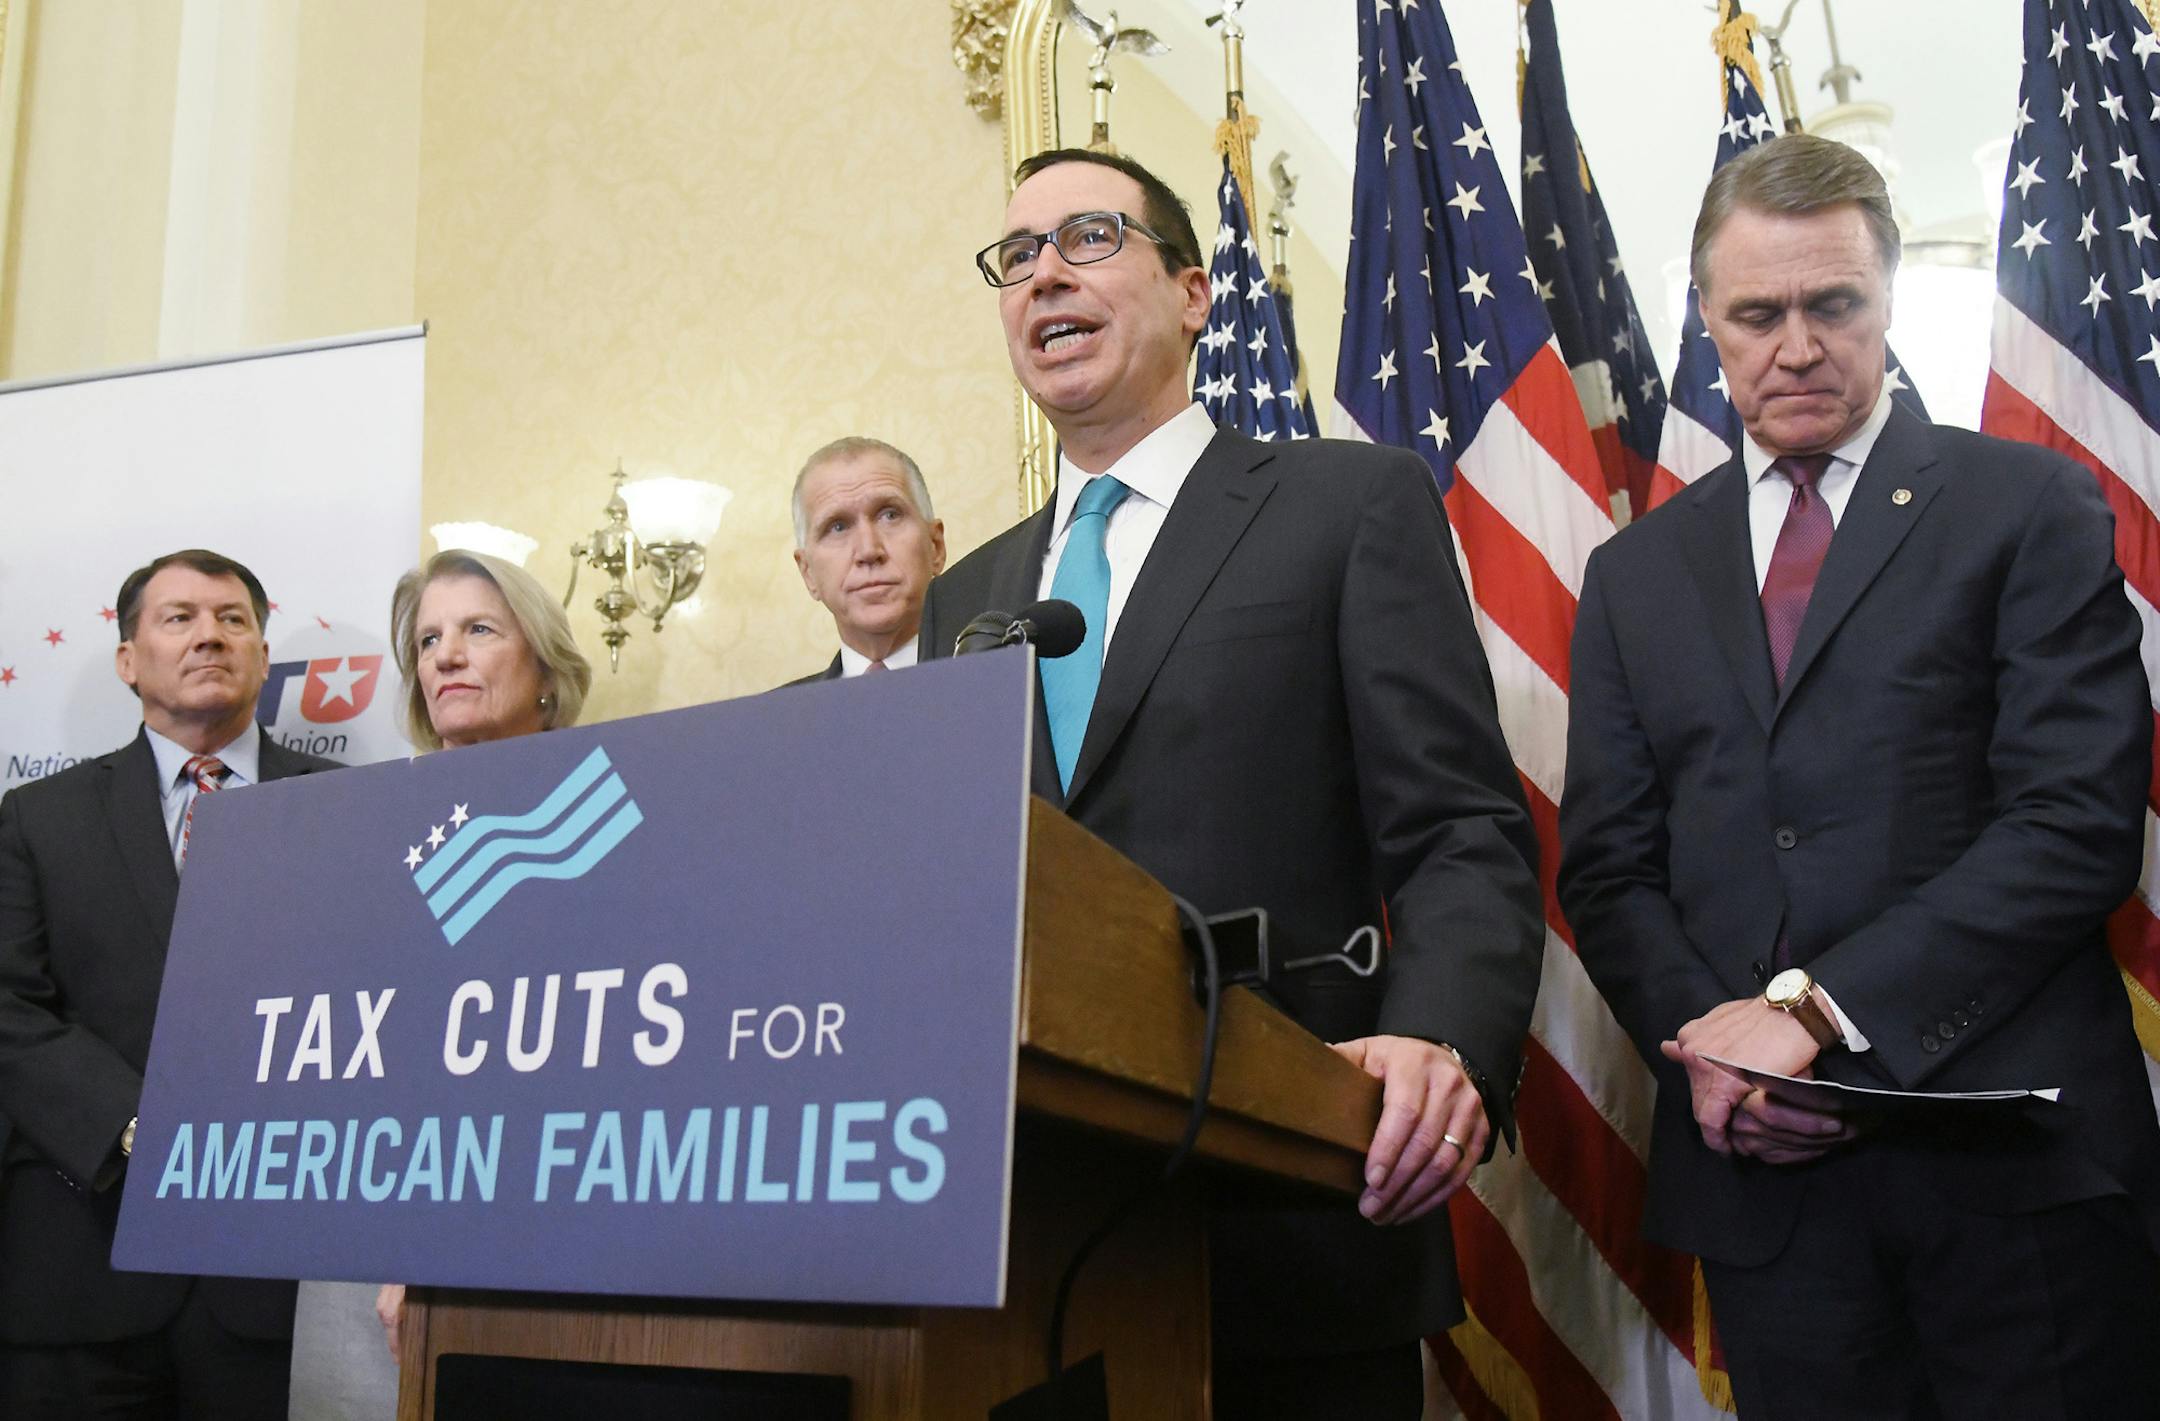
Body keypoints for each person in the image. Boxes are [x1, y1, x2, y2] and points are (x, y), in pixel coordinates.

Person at [922, 148, 1542, 1419]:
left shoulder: (1344, 503)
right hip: (1030, 1245)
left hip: (1294, 1203)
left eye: (1087, 237)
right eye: (1016, 255)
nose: (1043, 274)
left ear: (1196, 292)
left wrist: (1441, 1034)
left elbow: (1459, 829)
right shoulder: (967, 596)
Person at [1557, 132, 2160, 1418]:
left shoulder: (2031, 504)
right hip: (1772, 1195)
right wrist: (1722, 1064)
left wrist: (1818, 1012)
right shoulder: (1633, 576)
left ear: (1885, 298)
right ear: (1707, 324)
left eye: (1834, 305)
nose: (1797, 345)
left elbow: (2075, 823)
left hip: (2013, 1172)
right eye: (1757, 314)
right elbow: (1610, 867)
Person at [0, 549, 339, 1419]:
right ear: (128, 659)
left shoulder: (351, 808)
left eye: (234, 619)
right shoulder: (38, 816)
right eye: (178, 617)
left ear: (265, 656)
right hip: (83, 1266)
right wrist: (138, 1128)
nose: (209, 637)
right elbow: (9, 1007)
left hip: (275, 1272)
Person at [288, 549, 590, 1421]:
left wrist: (445, 1241)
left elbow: (580, 1059)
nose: (446, 655)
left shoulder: (598, 807)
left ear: (543, 665)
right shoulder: (364, 823)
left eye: (479, 630)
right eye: (428, 639)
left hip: (528, 1227)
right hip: (358, 1219)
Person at [785, 435, 946, 683]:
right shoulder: (781, 719)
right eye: (837, 527)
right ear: (808, 573)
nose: (869, 551)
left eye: (890, 515)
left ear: (935, 546)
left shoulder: (1004, 684)